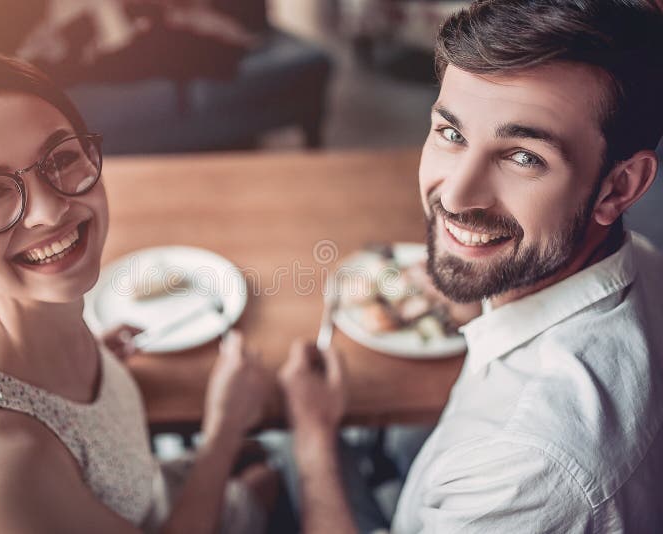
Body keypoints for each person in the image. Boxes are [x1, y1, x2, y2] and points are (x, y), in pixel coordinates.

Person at [278, 0, 663, 532]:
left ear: (619, 186)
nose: (455, 196)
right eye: (452, 133)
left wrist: (313, 436)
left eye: (524, 156)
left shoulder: (527, 478)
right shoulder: (640, 258)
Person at [0, 49, 278, 533]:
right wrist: (223, 431)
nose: (49, 210)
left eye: (59, 158)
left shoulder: (44, 304)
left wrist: (99, 362)